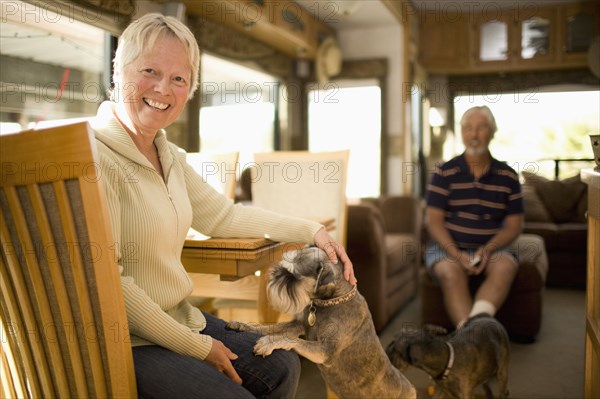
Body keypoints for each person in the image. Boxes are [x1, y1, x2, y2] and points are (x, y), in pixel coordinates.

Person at [90, 13, 356, 399]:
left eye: (179, 78)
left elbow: (223, 215)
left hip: (179, 318)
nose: (163, 88)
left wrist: (310, 230)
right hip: (127, 340)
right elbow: (111, 286)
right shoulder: (95, 156)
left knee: (281, 366)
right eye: (150, 70)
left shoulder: (169, 156)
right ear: (118, 72)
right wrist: (199, 347)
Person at [424, 105, 523, 329]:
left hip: (493, 247)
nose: (474, 134)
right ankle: (472, 337)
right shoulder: (443, 173)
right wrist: (456, 254)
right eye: (468, 128)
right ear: (461, 133)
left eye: (481, 128)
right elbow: (434, 222)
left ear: (493, 132)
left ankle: (472, 333)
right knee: (450, 272)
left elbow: (514, 226)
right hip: (447, 248)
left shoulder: (508, 175)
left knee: (505, 267)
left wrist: (488, 249)